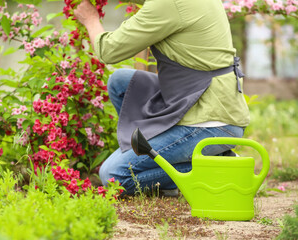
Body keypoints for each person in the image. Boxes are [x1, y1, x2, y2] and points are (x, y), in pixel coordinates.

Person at [74, 0, 250, 195]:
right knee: (121, 82)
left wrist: (90, 19)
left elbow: (109, 50)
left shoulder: (168, 4)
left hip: (212, 120)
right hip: (200, 98)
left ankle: (214, 166)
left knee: (114, 176)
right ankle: (152, 153)